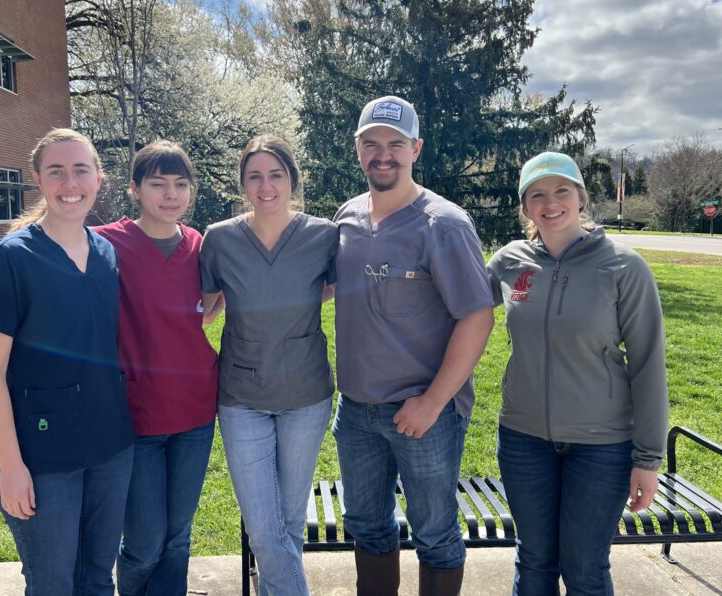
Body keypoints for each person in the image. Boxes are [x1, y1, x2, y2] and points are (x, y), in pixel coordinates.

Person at [332, 95, 495, 596]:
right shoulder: (347, 217)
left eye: (396, 144)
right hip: (356, 412)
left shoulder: (443, 223)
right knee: (367, 527)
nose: (384, 155)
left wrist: (432, 402)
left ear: (415, 149)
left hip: (424, 415)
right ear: (357, 149)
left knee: (436, 535)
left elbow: (478, 317)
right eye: (372, 144)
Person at [486, 151, 669, 595]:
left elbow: (648, 366)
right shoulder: (509, 262)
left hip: (601, 446)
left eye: (562, 191)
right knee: (534, 562)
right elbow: (454, 309)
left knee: (585, 569)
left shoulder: (624, 267)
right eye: (538, 195)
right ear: (526, 206)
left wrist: (647, 460)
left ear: (581, 197)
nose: (551, 203)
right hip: (523, 439)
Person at [0, 128, 136, 596]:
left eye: (81, 170)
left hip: (109, 447)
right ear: (38, 180)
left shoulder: (105, 253)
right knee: (53, 584)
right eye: (57, 171)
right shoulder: (10, 259)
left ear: (98, 179)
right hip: (40, 458)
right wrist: (11, 466)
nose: (71, 183)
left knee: (98, 580)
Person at [199, 134, 338, 596]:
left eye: (276, 175)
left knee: (289, 523)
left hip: (306, 396)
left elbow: (334, 287)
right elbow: (206, 306)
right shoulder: (220, 239)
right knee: (265, 529)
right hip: (243, 398)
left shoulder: (323, 236)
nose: (266, 186)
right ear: (242, 184)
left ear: (293, 180)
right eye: (255, 176)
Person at [94, 141, 219, 596]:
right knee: (145, 543)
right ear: (135, 189)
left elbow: (217, 300)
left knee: (177, 537)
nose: (171, 195)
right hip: (137, 415)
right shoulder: (106, 243)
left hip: (195, 412)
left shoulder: (201, 245)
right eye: (158, 184)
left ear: (192, 190)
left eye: (180, 184)